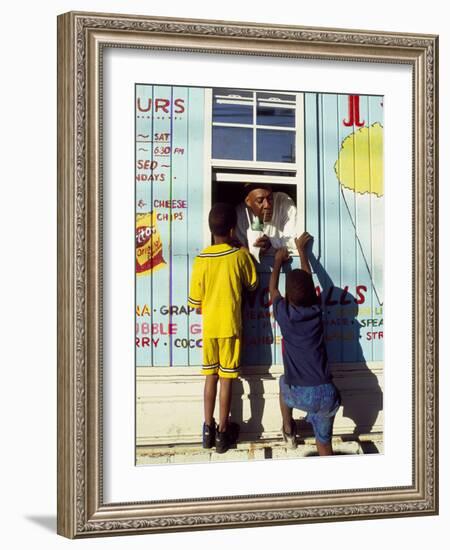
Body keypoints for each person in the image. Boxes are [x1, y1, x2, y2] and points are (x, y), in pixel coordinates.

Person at [188, 203, 258, 453]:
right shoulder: (239, 257)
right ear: (232, 229)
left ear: (210, 230)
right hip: (230, 327)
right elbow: (252, 285)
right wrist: (245, 247)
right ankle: (223, 433)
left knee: (211, 377)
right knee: (227, 380)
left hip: (209, 330)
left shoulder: (200, 260)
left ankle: (207, 429)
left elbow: (196, 304)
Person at [268, 232, 341, 456]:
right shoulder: (317, 310)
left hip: (299, 394)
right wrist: (302, 251)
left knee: (282, 383)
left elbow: (273, 291)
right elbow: (307, 277)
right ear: (312, 293)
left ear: (288, 297)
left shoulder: (285, 314)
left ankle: (288, 427)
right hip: (326, 393)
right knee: (324, 443)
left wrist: (277, 262)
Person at [235, 184, 297, 258]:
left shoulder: (283, 202)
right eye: (260, 201)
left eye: (270, 198)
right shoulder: (240, 214)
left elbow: (295, 240)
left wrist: (271, 243)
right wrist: (253, 251)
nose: (267, 205)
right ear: (248, 202)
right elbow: (237, 248)